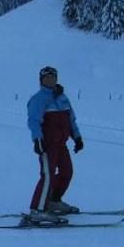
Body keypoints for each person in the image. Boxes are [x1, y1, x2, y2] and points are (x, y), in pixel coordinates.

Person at [27, 66, 84, 222]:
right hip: (47, 145)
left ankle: (53, 201)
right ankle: (37, 210)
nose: (50, 80)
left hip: (61, 144)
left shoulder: (62, 98)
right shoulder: (38, 99)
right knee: (48, 175)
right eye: (47, 78)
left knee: (67, 172)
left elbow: (70, 120)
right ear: (41, 80)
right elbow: (33, 121)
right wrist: (37, 140)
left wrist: (77, 138)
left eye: (53, 77)